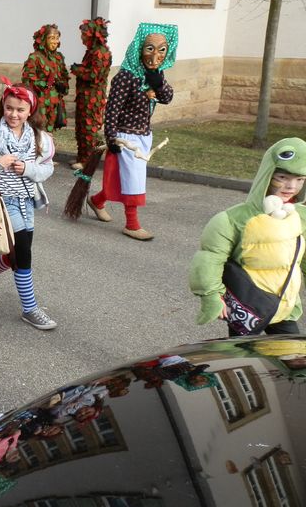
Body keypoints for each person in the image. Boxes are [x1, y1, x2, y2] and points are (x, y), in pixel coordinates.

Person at [189, 137, 306, 336]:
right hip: (249, 307)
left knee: (292, 353)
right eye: (282, 177)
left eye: (300, 179)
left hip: (286, 307)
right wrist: (211, 295)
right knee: (241, 353)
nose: (291, 186)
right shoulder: (232, 219)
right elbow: (210, 258)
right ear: (267, 174)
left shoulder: (299, 215)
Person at [0, 79, 57, 330]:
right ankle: (30, 309)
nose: (13, 114)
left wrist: (28, 168)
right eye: (9, 108)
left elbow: (47, 169)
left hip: (26, 200)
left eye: (20, 110)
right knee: (22, 252)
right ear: (3, 106)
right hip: (2, 201)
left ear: (30, 111)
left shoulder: (40, 138)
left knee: (17, 252)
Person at [86, 23, 178, 241]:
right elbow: (112, 109)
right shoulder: (125, 77)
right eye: (150, 48)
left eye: (162, 50)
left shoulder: (155, 75)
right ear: (139, 48)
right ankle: (132, 224)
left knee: (126, 177)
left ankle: (97, 200)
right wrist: (111, 137)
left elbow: (166, 98)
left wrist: (158, 83)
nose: (155, 55)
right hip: (125, 137)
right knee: (133, 179)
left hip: (144, 135)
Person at [70, 17, 112, 169]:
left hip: (93, 97)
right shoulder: (92, 51)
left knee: (89, 128)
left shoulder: (101, 52)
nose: (82, 38)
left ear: (93, 35)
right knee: (81, 127)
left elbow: (94, 76)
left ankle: (87, 161)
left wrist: (78, 70)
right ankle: (81, 157)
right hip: (85, 96)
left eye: (84, 35)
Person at [22, 23, 69, 131]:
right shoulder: (35, 57)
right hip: (40, 101)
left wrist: (63, 86)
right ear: (43, 40)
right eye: (52, 38)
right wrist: (45, 84)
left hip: (54, 102)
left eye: (57, 38)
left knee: (50, 131)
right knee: (39, 129)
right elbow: (27, 79)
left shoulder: (58, 57)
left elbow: (64, 75)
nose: (55, 42)